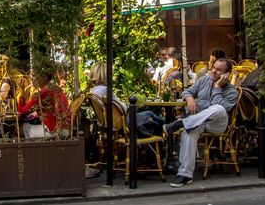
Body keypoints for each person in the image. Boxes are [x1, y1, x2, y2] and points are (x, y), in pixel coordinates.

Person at [162, 58, 238, 188]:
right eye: (214, 67)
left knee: (218, 109)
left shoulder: (232, 92)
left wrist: (217, 87)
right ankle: (185, 174)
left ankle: (183, 122)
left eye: (219, 70)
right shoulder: (204, 80)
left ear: (227, 74)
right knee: (189, 130)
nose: (214, 71)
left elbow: (217, 106)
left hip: (217, 124)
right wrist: (190, 99)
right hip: (199, 122)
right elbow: (187, 91)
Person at [89, 61, 164, 137]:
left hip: (108, 125)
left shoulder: (94, 92)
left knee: (152, 119)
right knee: (149, 113)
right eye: (111, 74)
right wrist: (126, 105)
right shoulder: (106, 91)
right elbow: (124, 109)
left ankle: (166, 127)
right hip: (122, 124)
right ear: (106, 75)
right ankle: (168, 128)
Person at [18, 70, 69, 139]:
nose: (31, 78)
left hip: (54, 131)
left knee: (20, 127)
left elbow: (22, 112)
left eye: (34, 75)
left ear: (44, 77)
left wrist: (22, 92)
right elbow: (38, 112)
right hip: (64, 129)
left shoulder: (44, 91)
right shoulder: (55, 88)